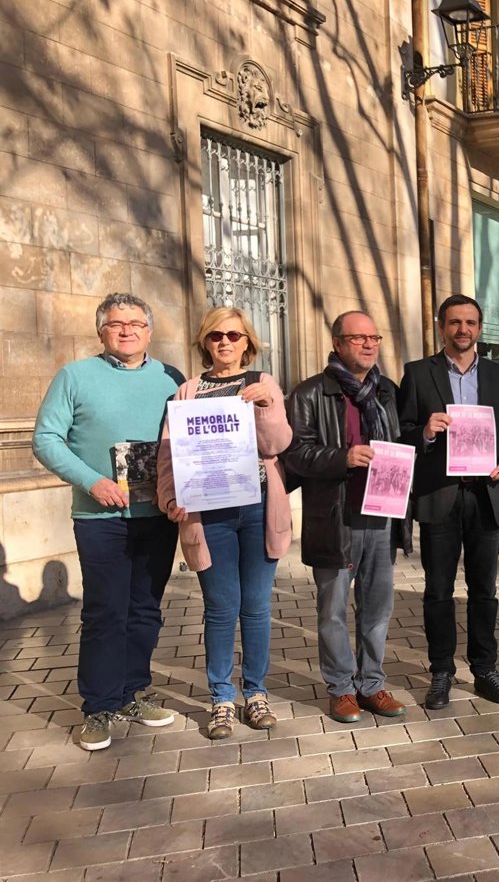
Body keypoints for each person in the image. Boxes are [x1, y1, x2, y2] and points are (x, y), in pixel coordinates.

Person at [33, 292, 184, 751]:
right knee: (105, 612)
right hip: (100, 517)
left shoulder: (171, 379)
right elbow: (46, 438)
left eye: (136, 324)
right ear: (101, 331)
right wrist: (92, 482)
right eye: (116, 324)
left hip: (157, 516)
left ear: (149, 332)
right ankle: (98, 707)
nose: (127, 331)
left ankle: (132, 692)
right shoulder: (75, 376)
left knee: (145, 609)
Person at [157, 307, 293, 739]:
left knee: (255, 605)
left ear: (247, 342)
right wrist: (170, 497)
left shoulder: (262, 383)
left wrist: (266, 406)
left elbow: (278, 444)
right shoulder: (188, 391)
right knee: (220, 607)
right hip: (208, 512)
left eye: (234, 335)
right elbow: (168, 452)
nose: (225, 343)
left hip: (257, 509)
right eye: (216, 335)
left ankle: (255, 693)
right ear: (205, 341)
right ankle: (220, 697)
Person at [398, 294, 499, 710]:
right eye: (454, 322)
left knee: (484, 589)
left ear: (480, 328)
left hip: (487, 495)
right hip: (440, 495)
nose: (463, 330)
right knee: (438, 590)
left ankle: (485, 669)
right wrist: (425, 432)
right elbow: (401, 431)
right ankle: (441, 671)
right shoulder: (418, 374)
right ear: (441, 327)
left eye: (470, 322)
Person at [284, 311, 406, 724]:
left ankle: (371, 684)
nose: (369, 345)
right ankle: (340, 688)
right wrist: (342, 457)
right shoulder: (310, 393)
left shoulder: (387, 391)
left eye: (374, 338)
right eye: (358, 338)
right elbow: (295, 454)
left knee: (377, 607)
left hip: (382, 513)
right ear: (337, 343)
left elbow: (403, 442)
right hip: (336, 517)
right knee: (333, 609)